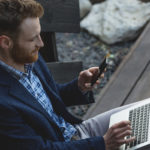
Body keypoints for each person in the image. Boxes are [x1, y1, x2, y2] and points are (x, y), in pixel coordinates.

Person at [0, 0, 135, 150]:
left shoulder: (26, 56)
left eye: (39, 34)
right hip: (74, 145)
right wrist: (103, 143)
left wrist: (79, 87)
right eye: (33, 38)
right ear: (6, 43)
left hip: (79, 132)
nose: (41, 43)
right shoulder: (3, 104)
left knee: (144, 114)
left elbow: (48, 99)